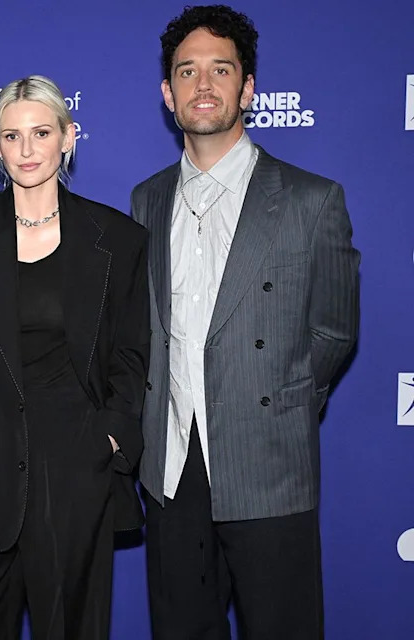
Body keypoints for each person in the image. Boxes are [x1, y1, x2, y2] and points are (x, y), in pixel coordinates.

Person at [131, 6, 361, 639]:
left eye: (221, 70)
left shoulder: (312, 201)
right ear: (167, 93)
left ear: (248, 88)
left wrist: (282, 399)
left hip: (270, 470)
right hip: (172, 471)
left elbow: (335, 331)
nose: (203, 85)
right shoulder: (144, 201)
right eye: (187, 72)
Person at [0, 75, 150, 639]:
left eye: (41, 132)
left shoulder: (117, 239)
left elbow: (133, 352)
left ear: (68, 138)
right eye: (11, 135)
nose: (26, 150)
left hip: (75, 474)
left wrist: (111, 439)